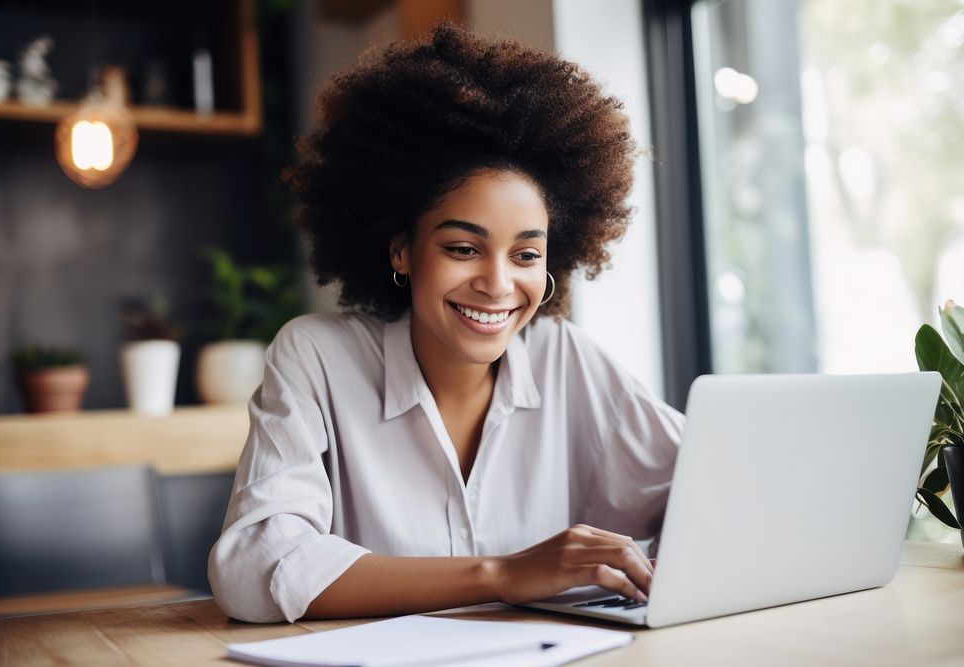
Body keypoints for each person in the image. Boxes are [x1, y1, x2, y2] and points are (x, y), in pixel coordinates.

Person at [208, 23, 684, 624]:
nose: (497, 283)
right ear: (402, 251)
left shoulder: (568, 360)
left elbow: (710, 490)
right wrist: (504, 574)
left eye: (526, 254)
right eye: (463, 248)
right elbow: (254, 570)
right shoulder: (317, 358)